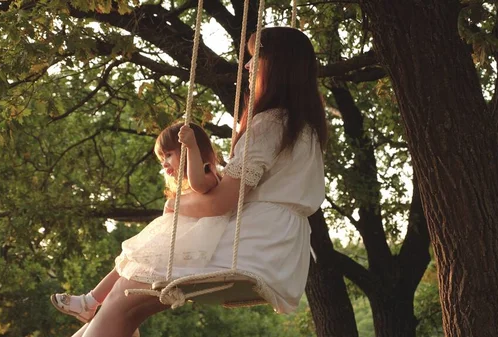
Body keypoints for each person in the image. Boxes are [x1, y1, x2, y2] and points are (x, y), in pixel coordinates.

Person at [72, 26, 328, 337]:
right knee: (130, 303)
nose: (246, 66)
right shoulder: (306, 129)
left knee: (121, 295)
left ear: (280, 64)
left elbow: (221, 202)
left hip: (254, 241)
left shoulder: (270, 123)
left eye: (255, 57)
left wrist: (174, 204)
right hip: (281, 247)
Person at [51, 122, 226, 326]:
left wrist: (192, 146)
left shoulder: (208, 173)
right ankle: (90, 301)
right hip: (179, 241)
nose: (164, 163)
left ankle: (90, 302)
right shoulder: (188, 189)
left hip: (191, 245)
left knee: (132, 262)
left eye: (168, 154)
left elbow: (198, 184)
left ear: (188, 149)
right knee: (127, 260)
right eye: (162, 159)